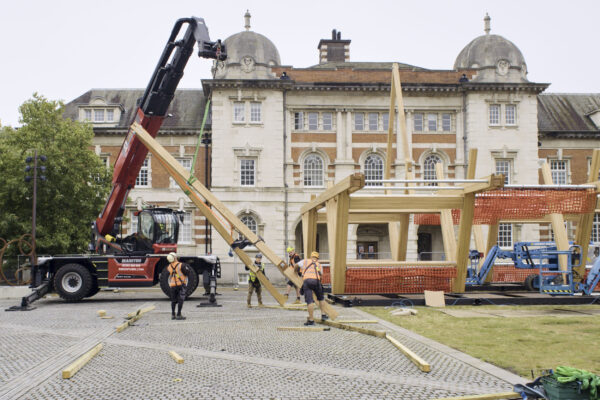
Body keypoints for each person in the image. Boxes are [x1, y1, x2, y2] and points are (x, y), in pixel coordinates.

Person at [297, 251, 328, 325]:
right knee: (321, 298)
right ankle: (323, 315)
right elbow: (321, 275)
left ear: (311, 257)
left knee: (310, 301)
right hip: (317, 282)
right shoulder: (319, 265)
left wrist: (295, 271)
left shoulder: (305, 261)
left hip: (307, 282)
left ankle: (311, 320)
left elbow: (296, 265)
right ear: (317, 258)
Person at [166, 252, 188, 320]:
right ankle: (179, 314)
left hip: (172, 285)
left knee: (173, 300)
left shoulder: (169, 267)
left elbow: (170, 274)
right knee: (180, 300)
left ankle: (173, 314)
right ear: (175, 258)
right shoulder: (181, 265)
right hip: (181, 285)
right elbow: (187, 272)